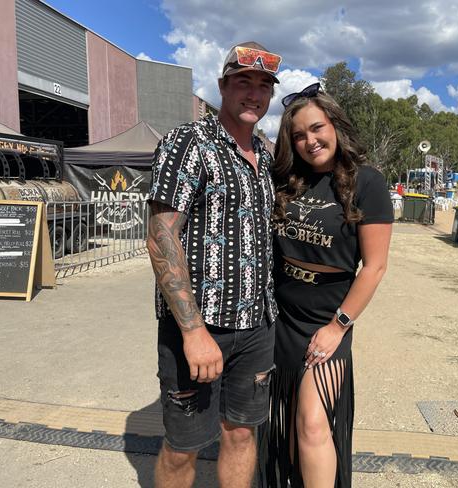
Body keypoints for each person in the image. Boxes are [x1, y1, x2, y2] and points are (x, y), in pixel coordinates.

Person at [147, 41, 282, 488]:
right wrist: (192, 331)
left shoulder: (263, 157)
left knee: (242, 432)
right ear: (223, 86)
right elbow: (161, 235)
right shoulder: (191, 141)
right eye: (244, 81)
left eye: (264, 85)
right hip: (201, 329)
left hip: (257, 325)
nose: (254, 94)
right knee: (184, 444)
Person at [263, 83, 394, 487]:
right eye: (299, 135)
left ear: (335, 124)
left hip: (327, 320)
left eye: (317, 128)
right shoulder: (283, 179)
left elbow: (374, 267)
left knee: (314, 424)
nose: (309, 141)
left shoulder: (367, 183)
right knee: (284, 426)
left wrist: (339, 326)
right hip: (279, 318)